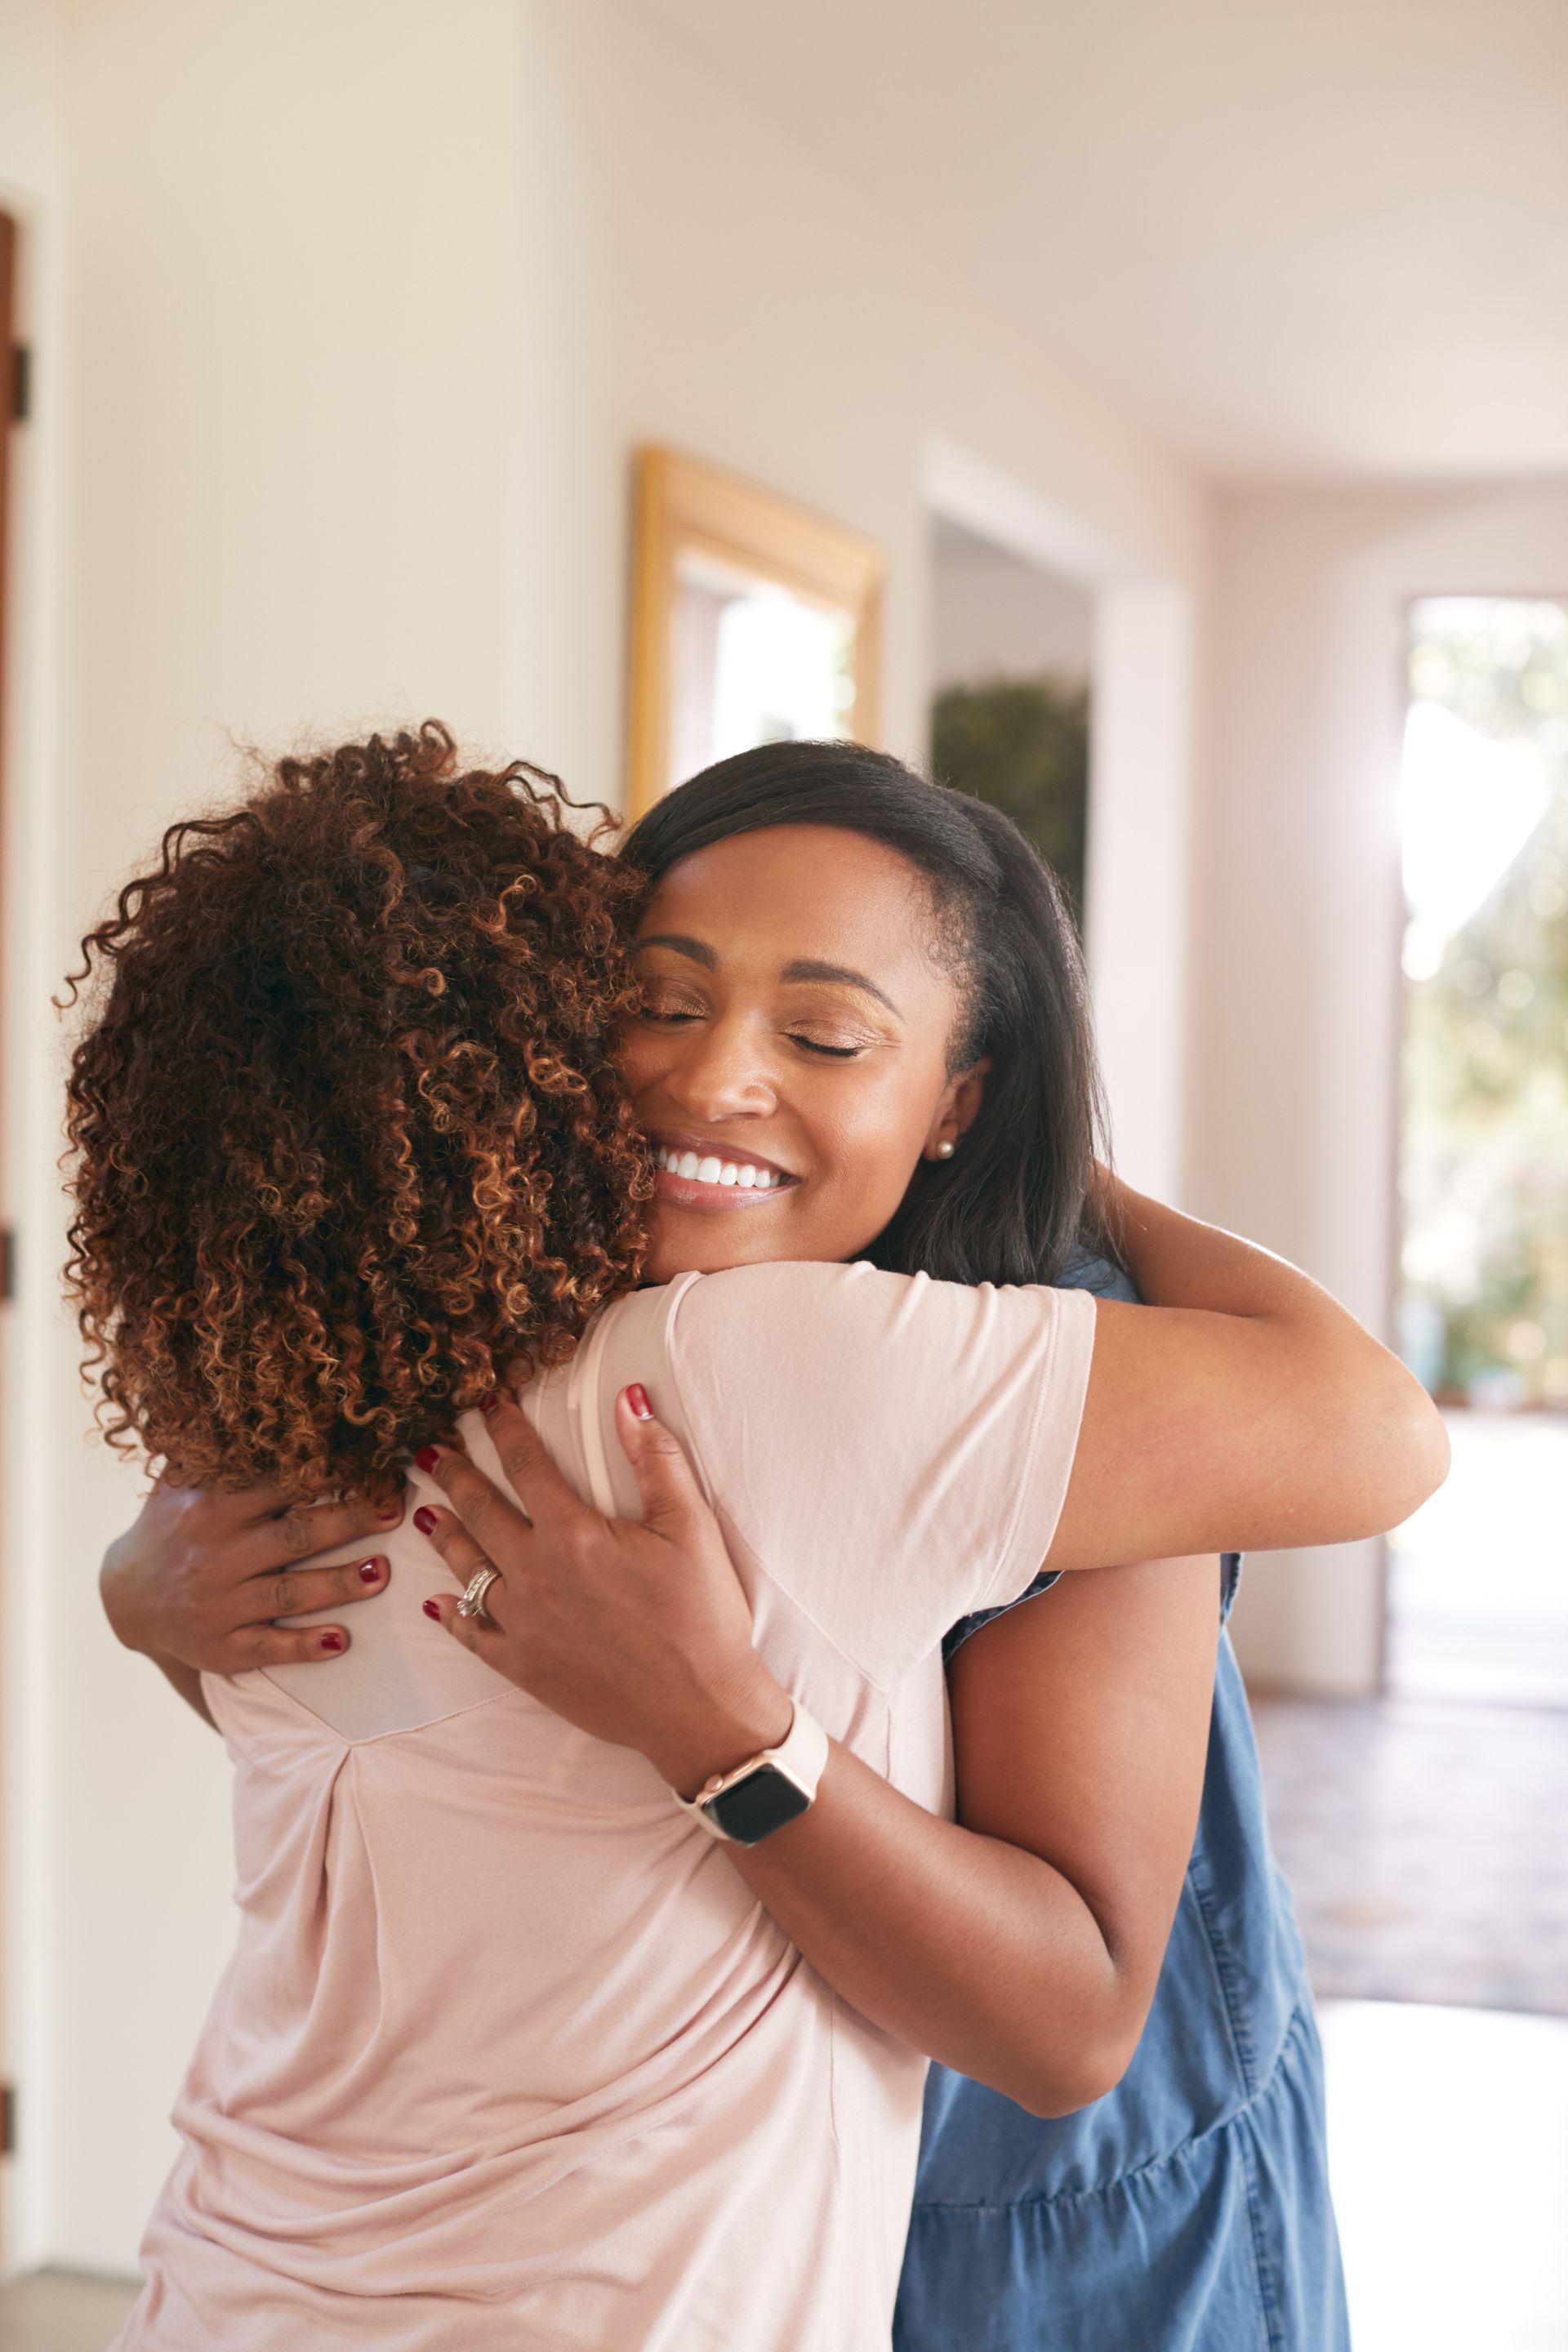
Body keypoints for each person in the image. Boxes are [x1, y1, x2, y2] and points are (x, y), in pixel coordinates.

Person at [88, 728, 1444, 2349]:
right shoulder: (467, 1347)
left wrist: (1067, 1184)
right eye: (656, 1002)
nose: (713, 1074)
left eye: (824, 1031)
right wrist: (145, 1595)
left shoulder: (1003, 1361)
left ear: (959, 1097)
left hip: (1043, 2246)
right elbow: (386, 1760)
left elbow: (1075, 2020)